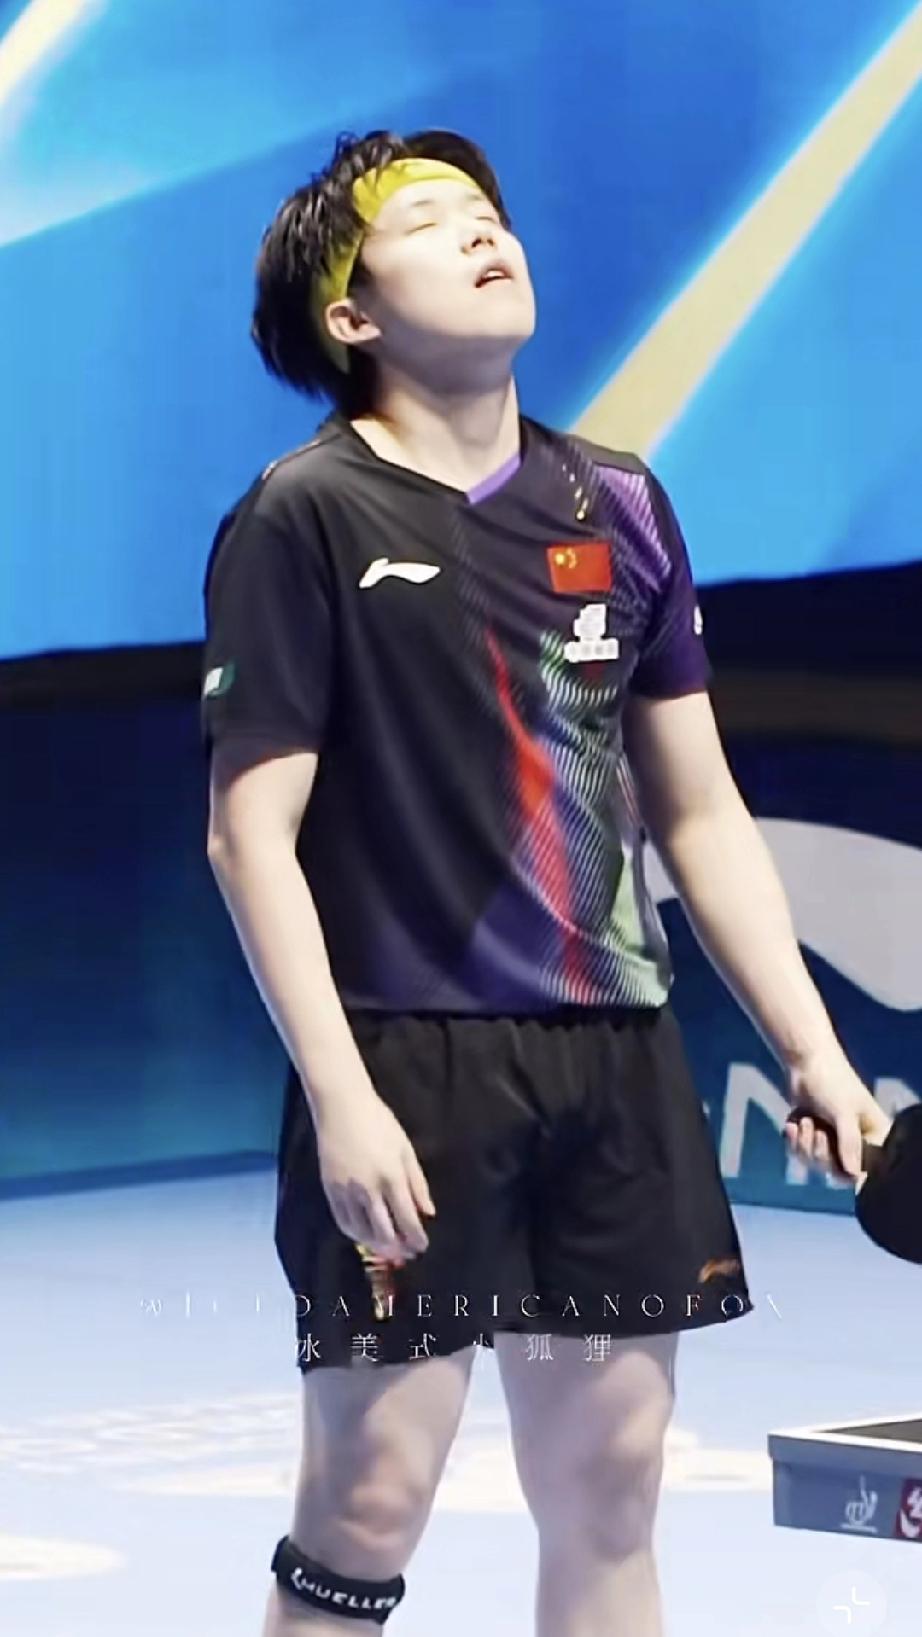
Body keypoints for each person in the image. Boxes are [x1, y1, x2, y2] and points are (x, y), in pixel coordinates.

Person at [200, 128, 890, 1637]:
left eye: (487, 212)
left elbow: (697, 809)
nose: (481, 233)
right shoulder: (302, 515)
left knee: (610, 1489)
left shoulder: (619, 502)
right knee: (367, 1502)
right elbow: (250, 836)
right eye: (428, 221)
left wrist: (814, 1048)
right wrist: (341, 1098)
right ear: (351, 315)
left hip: (612, 1059)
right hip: (410, 1062)